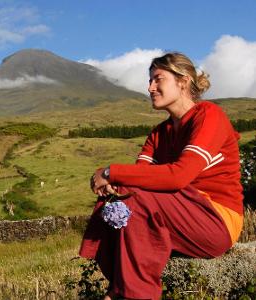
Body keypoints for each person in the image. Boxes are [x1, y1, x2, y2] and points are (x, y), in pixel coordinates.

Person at [79, 52, 243, 300]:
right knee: (115, 202)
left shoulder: (209, 116)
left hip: (216, 220)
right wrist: (114, 185)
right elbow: (136, 182)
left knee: (137, 202)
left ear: (183, 81)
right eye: (149, 81)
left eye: (157, 79)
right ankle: (120, 286)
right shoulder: (159, 133)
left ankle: (134, 295)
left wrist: (111, 172)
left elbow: (179, 177)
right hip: (179, 215)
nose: (150, 87)